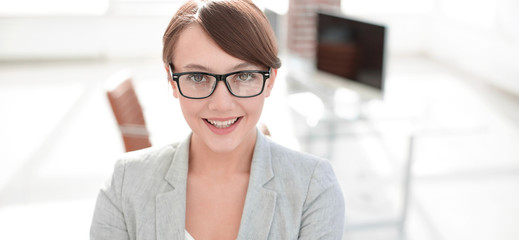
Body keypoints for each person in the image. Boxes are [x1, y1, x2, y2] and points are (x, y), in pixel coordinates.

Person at [90, 0, 345, 239]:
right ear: (172, 81)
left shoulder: (313, 188)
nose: (221, 104)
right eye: (198, 77)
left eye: (244, 76)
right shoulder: (126, 183)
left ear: (270, 81)